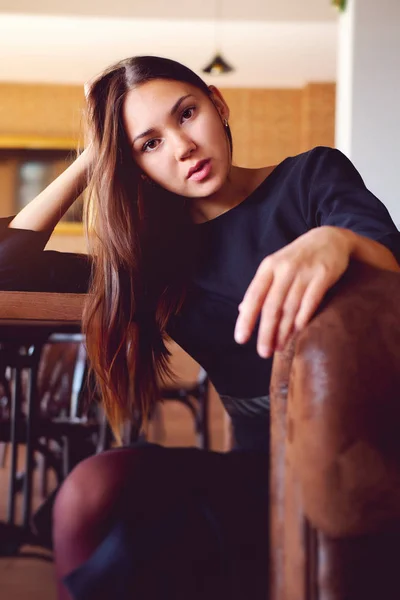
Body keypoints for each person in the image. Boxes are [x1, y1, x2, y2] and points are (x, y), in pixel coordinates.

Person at [0, 55, 399, 600]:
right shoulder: (153, 261)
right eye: (149, 144)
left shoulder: (310, 177)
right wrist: (97, 153)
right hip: (255, 466)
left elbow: (388, 258)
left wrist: (338, 240)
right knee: (92, 487)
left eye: (186, 114)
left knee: (146, 549)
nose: (182, 146)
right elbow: (9, 267)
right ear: (134, 165)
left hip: (355, 453)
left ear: (219, 103)